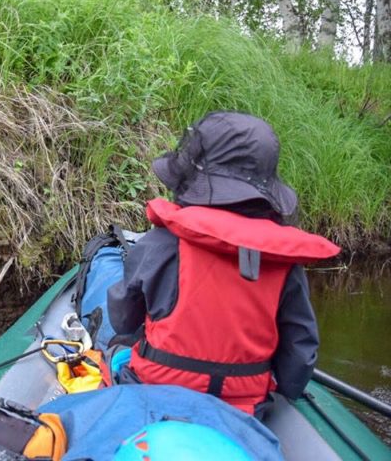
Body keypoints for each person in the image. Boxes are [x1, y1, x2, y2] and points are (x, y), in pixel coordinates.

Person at [107, 111, 340, 415]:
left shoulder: (161, 244)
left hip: (155, 395)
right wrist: (287, 390)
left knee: (117, 345)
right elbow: (300, 356)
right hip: (245, 410)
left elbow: (123, 319)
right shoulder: (284, 265)